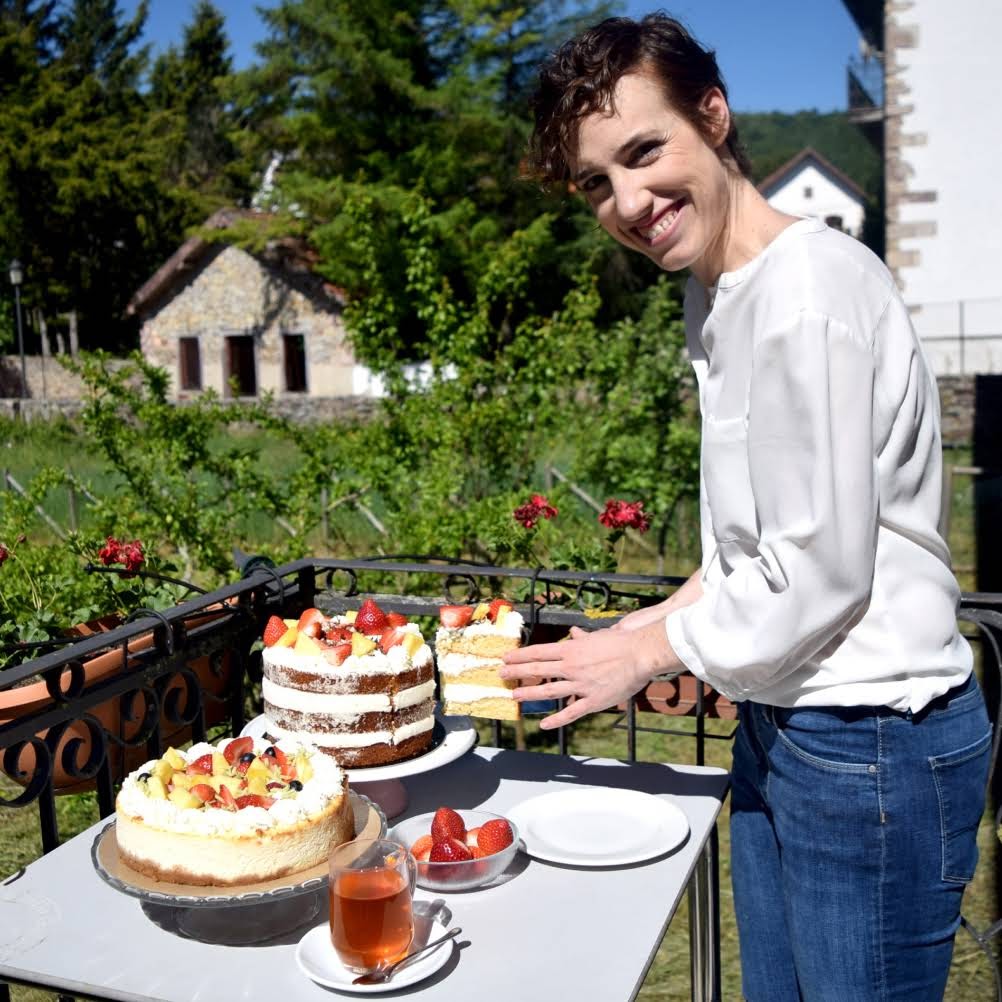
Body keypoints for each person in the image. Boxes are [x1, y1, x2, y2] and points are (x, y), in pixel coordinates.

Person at [499, 14, 991, 1001]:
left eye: (645, 151)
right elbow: (755, 546)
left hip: (872, 741)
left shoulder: (805, 293)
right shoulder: (721, 292)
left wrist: (647, 653)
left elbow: (819, 575)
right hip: (792, 720)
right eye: (596, 182)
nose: (628, 202)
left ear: (714, 116)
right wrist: (636, 627)